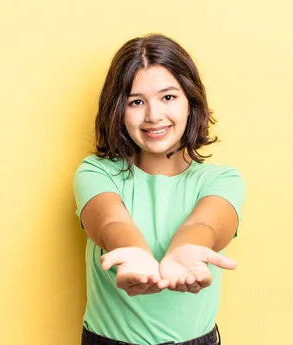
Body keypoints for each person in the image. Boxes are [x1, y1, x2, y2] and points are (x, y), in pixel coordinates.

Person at [73, 33, 246, 345]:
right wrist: (135, 254)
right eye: (136, 102)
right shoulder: (96, 172)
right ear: (117, 110)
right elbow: (112, 221)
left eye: (168, 97)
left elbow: (205, 223)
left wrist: (185, 251)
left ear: (191, 102)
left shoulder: (221, 180)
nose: (153, 116)